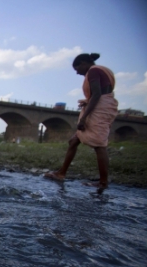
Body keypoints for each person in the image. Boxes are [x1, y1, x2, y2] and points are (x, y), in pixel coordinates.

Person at [44, 53, 118, 190]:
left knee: (99, 146)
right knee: (73, 141)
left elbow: (96, 95)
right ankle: (61, 173)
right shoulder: (100, 70)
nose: (77, 73)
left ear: (83, 63)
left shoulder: (94, 71)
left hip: (99, 109)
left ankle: (103, 183)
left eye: (77, 69)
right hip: (99, 106)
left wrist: (84, 118)